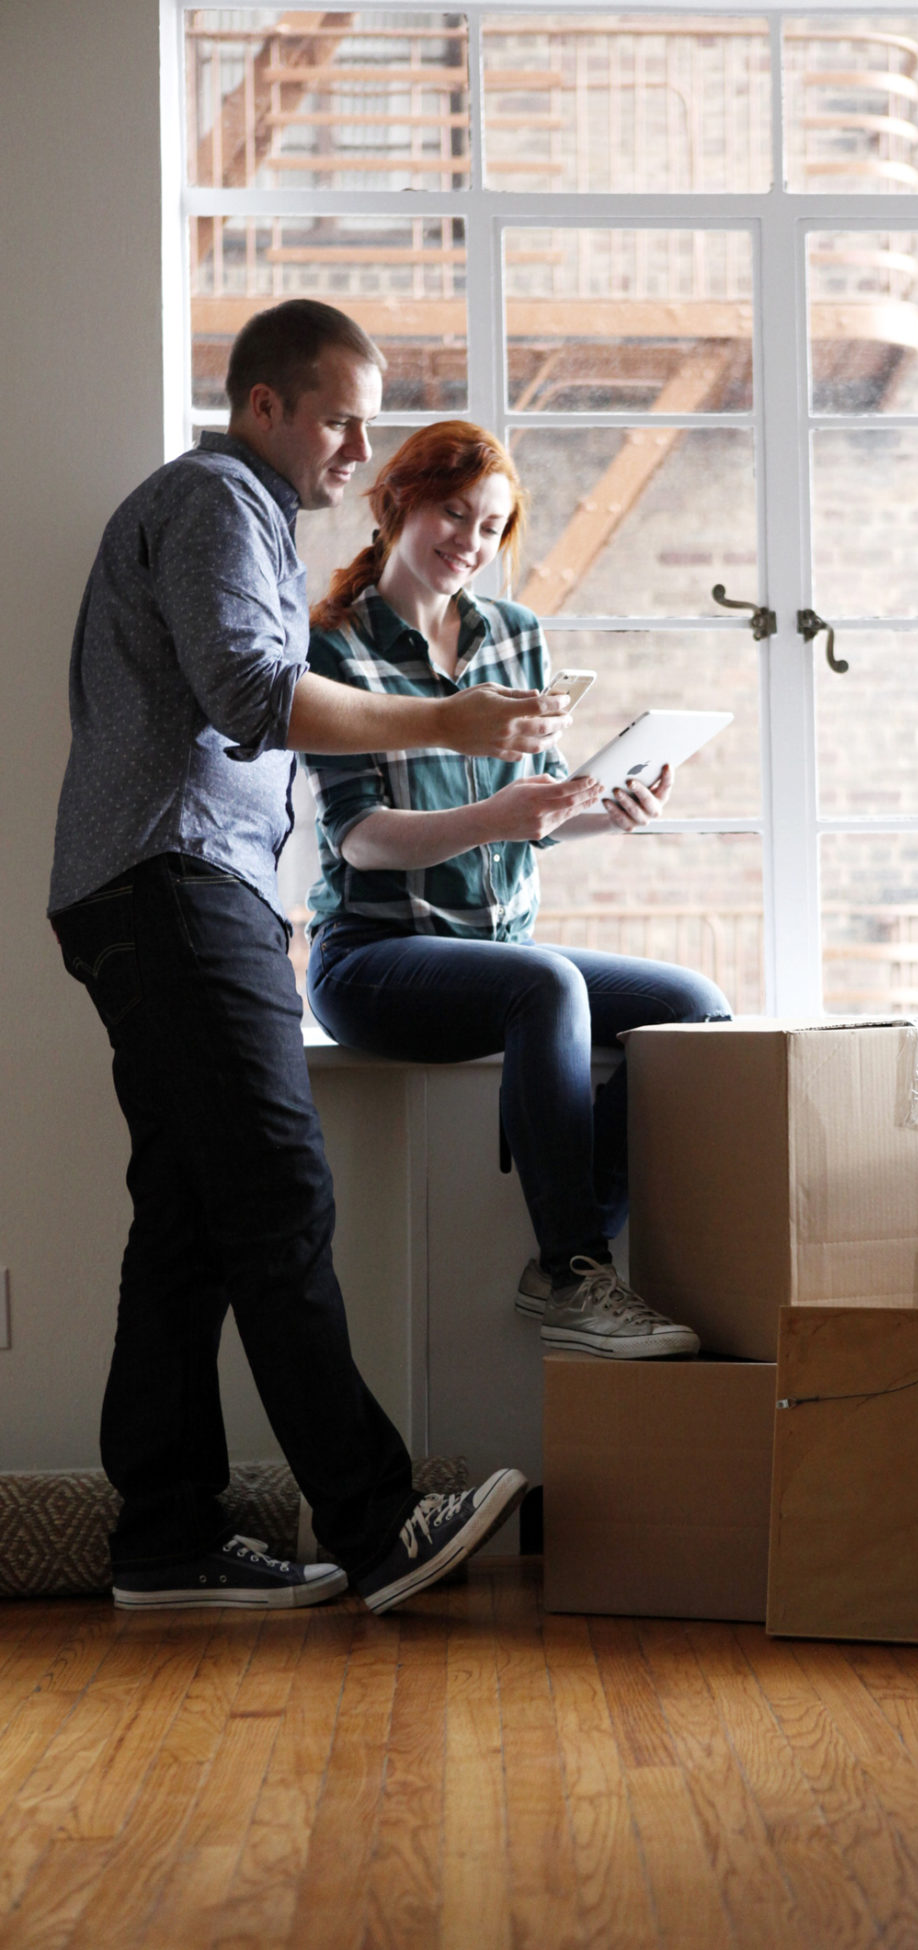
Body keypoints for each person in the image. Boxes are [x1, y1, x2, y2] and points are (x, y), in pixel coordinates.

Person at [47, 302, 570, 1614]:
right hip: (171, 881)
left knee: (189, 1219)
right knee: (280, 1189)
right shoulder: (221, 497)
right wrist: (449, 713)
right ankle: (380, 1521)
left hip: (166, 885)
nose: (359, 444)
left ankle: (164, 1534)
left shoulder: (242, 518)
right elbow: (250, 695)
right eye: (341, 415)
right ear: (266, 406)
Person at [303, 421, 731, 1358]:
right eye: (453, 512)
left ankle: (573, 1260)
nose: (470, 539)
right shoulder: (332, 649)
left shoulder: (516, 636)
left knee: (695, 1007)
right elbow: (361, 842)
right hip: (373, 960)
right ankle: (575, 1266)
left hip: (493, 957)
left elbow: (539, 809)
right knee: (547, 986)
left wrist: (604, 807)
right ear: (397, 505)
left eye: (492, 525)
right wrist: (502, 819)